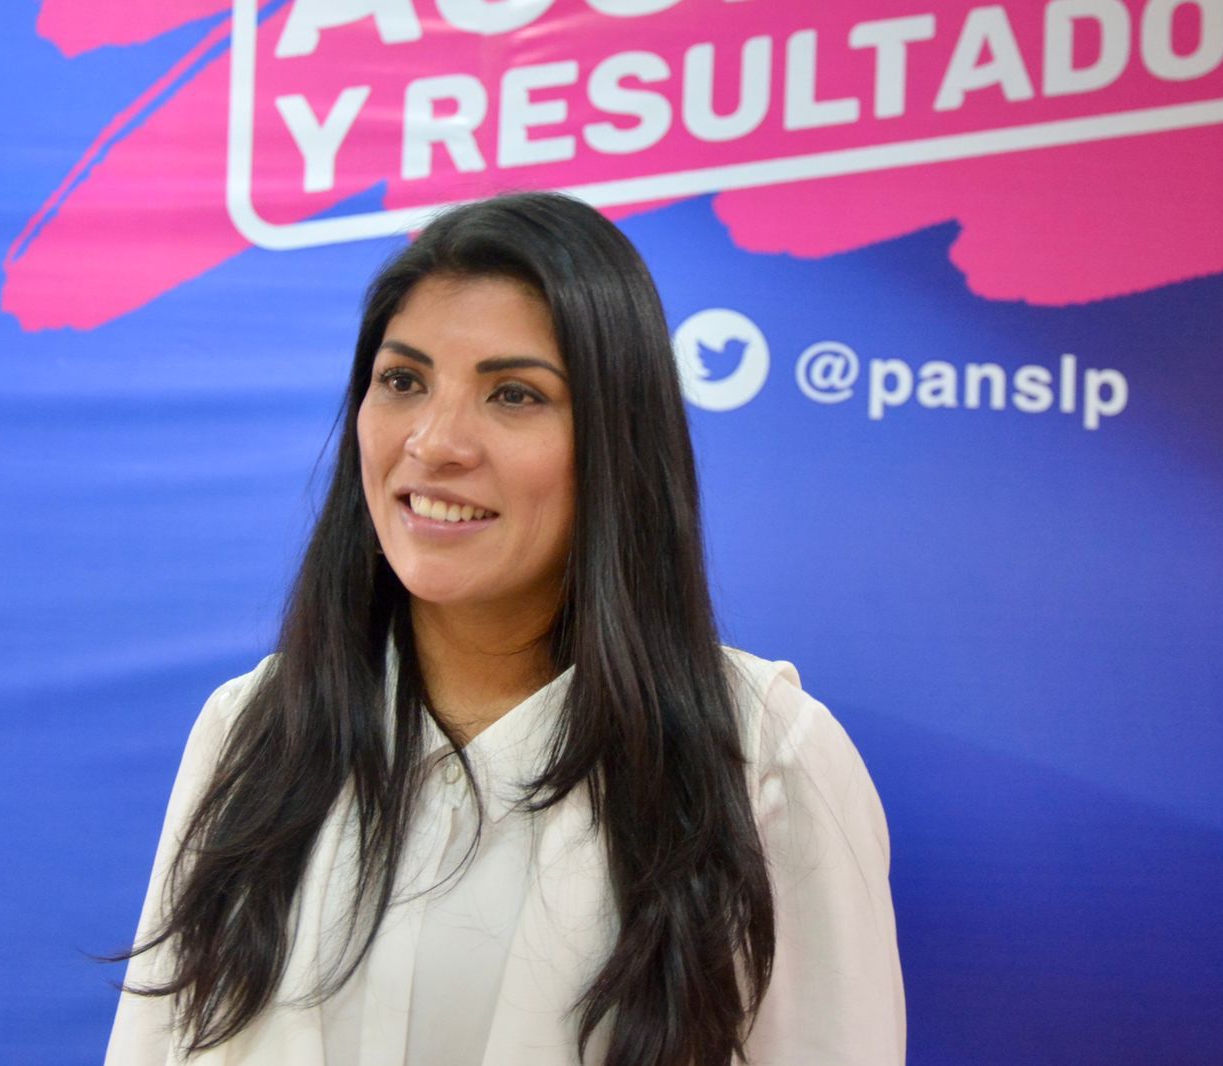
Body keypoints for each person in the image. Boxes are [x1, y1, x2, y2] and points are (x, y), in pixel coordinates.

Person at [105, 192, 904, 1066]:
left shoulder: (763, 760)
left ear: (616, 441)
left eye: (514, 394)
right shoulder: (253, 727)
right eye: (403, 381)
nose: (435, 442)